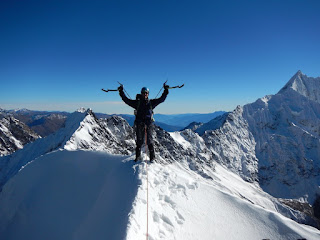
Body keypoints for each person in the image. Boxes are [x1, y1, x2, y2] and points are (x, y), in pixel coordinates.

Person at [118, 83, 169, 162]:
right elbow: (126, 100)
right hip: (140, 124)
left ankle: (152, 158)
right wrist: (121, 92)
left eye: (146, 93)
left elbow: (161, 99)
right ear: (141, 93)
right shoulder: (137, 103)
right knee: (139, 141)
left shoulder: (151, 103)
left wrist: (165, 91)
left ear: (148, 94)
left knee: (149, 141)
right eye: (143, 93)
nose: (145, 94)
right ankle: (138, 157)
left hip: (148, 124)